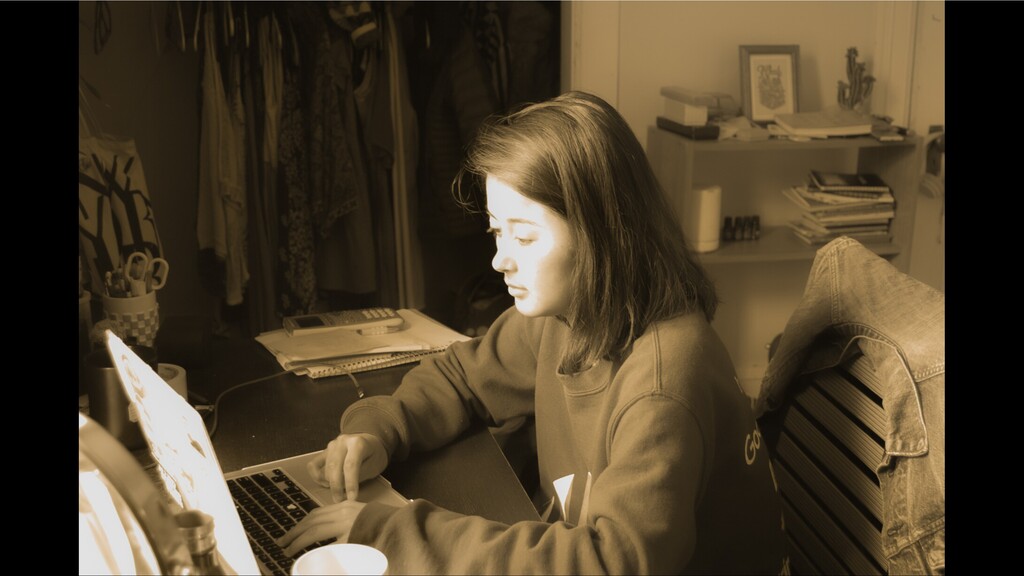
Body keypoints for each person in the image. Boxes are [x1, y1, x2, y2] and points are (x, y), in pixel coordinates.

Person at [277, 91, 788, 574]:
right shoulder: (566, 314)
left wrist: (395, 533)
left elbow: (613, 562)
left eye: (523, 236)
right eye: (497, 231)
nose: (500, 260)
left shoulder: (663, 380)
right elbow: (461, 375)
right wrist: (379, 430)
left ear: (601, 236)